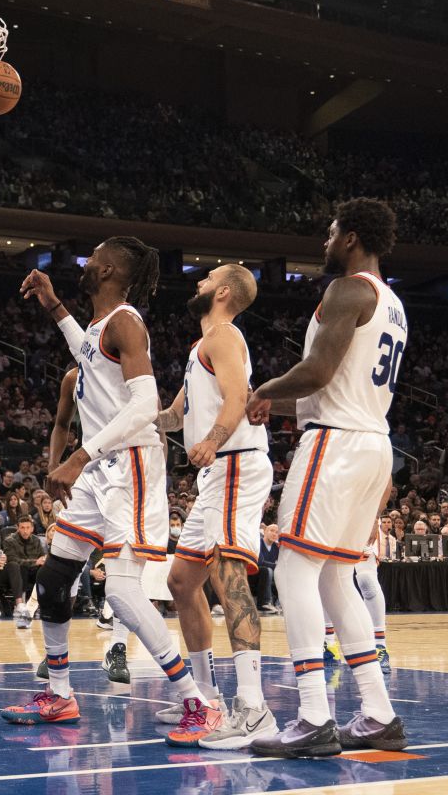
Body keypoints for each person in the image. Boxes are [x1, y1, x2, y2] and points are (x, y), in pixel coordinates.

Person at [3, 239, 209, 726]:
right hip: (102, 468)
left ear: (110, 269)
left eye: (92, 258)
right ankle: (59, 695)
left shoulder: (126, 321)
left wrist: (78, 456)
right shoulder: (100, 327)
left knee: (120, 592)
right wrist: (54, 305)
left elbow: (144, 406)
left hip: (131, 463)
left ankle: (198, 702)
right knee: (54, 579)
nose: (85, 263)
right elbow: (87, 351)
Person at [246, 198, 408, 757]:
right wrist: (277, 406)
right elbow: (339, 388)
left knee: (294, 569)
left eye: (331, 232)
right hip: (373, 444)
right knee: (338, 578)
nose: (325, 242)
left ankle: (314, 715)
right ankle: (379, 714)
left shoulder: (347, 290)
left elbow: (317, 372)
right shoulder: (393, 304)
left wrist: (263, 390)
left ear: (352, 238)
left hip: (335, 446)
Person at [157, 263, 278, 749]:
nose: (198, 283)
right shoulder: (201, 346)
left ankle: (254, 707)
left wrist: (212, 439)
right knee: (182, 581)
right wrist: (126, 422)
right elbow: (173, 416)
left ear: (224, 292)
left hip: (235, 461)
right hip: (216, 472)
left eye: (207, 278)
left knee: (229, 577)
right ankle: (207, 698)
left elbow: (238, 398)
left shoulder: (224, 335)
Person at [354, 482, 394, 675]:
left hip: (363, 513)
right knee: (327, 578)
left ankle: (379, 646)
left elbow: (386, 481)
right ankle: (329, 645)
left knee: (366, 580)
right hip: (332, 512)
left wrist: (375, 517)